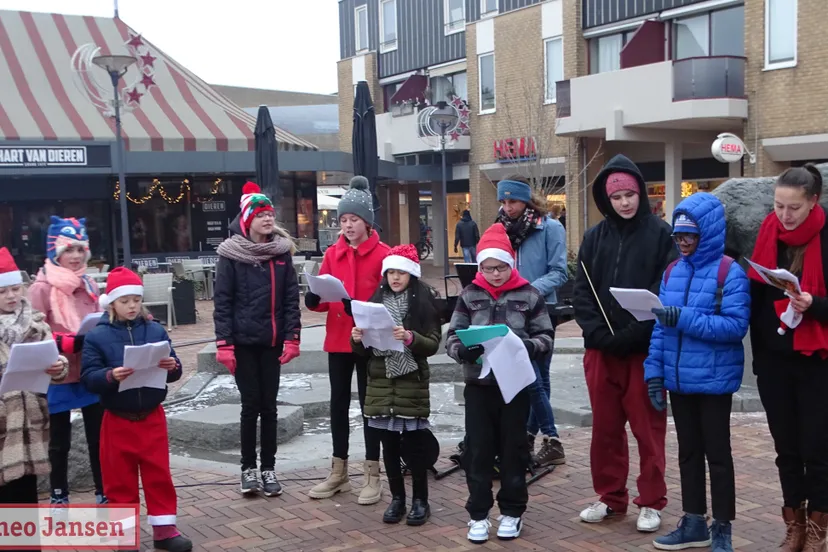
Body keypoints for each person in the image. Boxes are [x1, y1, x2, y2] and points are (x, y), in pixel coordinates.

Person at [573, 154, 676, 533]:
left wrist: (637, 332)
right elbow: (582, 292)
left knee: (649, 429)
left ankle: (650, 500)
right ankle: (610, 496)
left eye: (631, 194)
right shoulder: (593, 237)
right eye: (617, 197)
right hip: (602, 351)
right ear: (607, 199)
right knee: (605, 428)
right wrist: (598, 334)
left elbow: (664, 287)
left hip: (645, 352)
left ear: (640, 193)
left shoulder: (661, 234)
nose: (625, 203)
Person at [643, 194, 750, 552]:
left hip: (714, 381)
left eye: (690, 235)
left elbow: (735, 327)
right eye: (678, 236)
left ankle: (722, 527)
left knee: (717, 455)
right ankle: (693, 521)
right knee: (687, 453)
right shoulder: (672, 271)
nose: (683, 242)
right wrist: (654, 373)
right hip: (679, 380)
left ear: (709, 233)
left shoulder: (729, 271)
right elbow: (660, 329)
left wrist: (684, 318)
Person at [446, 224, 555, 544]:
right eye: (488, 268)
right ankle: (478, 514)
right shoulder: (469, 295)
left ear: (511, 264)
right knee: (478, 451)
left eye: (501, 267)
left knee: (513, 450)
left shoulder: (529, 294)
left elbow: (546, 336)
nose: (494, 274)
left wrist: (528, 347)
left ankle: (512, 511)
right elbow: (452, 335)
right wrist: (461, 350)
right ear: (479, 267)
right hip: (479, 385)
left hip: (515, 384)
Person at [81, 268, 192, 552]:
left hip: (152, 417)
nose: (131, 306)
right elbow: (88, 377)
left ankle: (164, 530)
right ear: (112, 304)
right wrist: (110, 376)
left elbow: (174, 369)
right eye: (124, 301)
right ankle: (124, 537)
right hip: (117, 419)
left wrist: (173, 367)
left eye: (135, 300)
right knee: (119, 479)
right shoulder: (97, 337)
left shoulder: (155, 329)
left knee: (159, 475)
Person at [749, 164, 828, 550]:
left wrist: (814, 305)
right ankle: (793, 523)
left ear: (813, 202)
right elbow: (755, 298)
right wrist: (759, 357)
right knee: (786, 449)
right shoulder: (767, 232)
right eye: (779, 205)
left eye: (793, 207)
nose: (784, 215)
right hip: (775, 359)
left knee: (817, 447)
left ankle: (817, 529)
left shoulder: (825, 235)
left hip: (817, 360)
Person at [306, 176, 390, 505]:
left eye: (353, 219)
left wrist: (362, 308)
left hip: (369, 342)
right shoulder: (333, 253)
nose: (347, 225)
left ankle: (373, 473)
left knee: (371, 407)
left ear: (366, 221)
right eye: (343, 220)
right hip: (339, 341)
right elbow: (326, 294)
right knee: (338, 406)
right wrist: (315, 300)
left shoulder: (383, 254)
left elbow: (390, 298)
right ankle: (338, 472)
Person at [213, 182, 301, 497]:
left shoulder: (280, 254)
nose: (268, 219)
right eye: (261, 214)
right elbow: (222, 303)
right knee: (251, 406)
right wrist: (224, 344)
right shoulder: (230, 254)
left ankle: (269, 469)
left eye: (270, 214)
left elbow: (292, 300)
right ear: (248, 218)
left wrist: (292, 338)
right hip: (243, 344)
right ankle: (248, 469)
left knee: (270, 407)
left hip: (272, 343)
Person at [351, 244, 442, 526]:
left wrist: (410, 338)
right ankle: (397, 499)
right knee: (387, 448)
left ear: (411, 274)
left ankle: (420, 501)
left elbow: (433, 344)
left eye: (401, 272)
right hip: (380, 384)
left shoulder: (424, 302)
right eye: (390, 272)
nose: (395, 277)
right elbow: (363, 353)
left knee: (414, 448)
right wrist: (356, 338)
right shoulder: (375, 302)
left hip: (410, 383)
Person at [27, 216, 106, 507]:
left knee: (99, 439)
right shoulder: (41, 287)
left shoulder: (89, 284)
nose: (75, 256)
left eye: (79, 249)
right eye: (68, 249)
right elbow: (32, 332)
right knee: (59, 442)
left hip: (89, 370)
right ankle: (59, 495)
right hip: (56, 375)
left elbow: (97, 320)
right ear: (55, 252)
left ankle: (103, 491)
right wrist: (65, 342)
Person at [495, 176, 568, 467]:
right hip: (510, 312)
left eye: (512, 201)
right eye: (503, 201)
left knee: (536, 377)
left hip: (540, 311)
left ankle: (548, 438)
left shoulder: (550, 228)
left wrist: (528, 292)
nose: (507, 207)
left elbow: (559, 272)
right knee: (536, 379)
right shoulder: (500, 228)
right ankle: (530, 436)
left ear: (526, 200)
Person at [0, 247, 68, 519]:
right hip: (3, 421)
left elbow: (55, 367)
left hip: (29, 423)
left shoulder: (37, 324)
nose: (11, 296)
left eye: (15, 289)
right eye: (3, 291)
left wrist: (58, 366)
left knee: (25, 498)